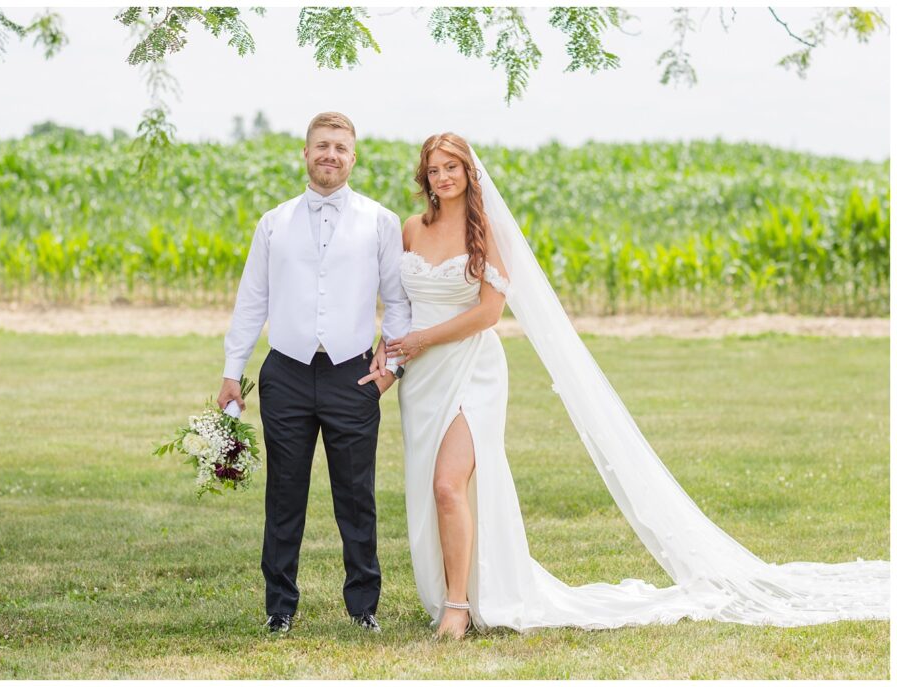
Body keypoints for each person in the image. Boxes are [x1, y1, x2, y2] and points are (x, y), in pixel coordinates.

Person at [379, 132, 889, 639]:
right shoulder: (411, 229)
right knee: (434, 489)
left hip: (473, 370)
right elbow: (399, 304)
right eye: (434, 169)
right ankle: (455, 587)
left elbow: (490, 312)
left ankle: (459, 607)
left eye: (452, 167)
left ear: (470, 173)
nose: (443, 177)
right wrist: (393, 351)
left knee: (449, 486)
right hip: (423, 380)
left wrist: (423, 338)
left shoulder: (485, 231)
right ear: (424, 176)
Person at [218, 112, 411, 635]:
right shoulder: (273, 222)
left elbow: (397, 301)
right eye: (321, 145)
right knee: (284, 494)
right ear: (305, 153)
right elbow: (250, 300)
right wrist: (232, 371)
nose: (331, 154)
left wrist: (391, 365)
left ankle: (363, 605)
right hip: (286, 373)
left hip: (353, 373)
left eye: (340, 147)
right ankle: (279, 607)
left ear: (353, 157)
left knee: (356, 493)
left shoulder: (380, 221)